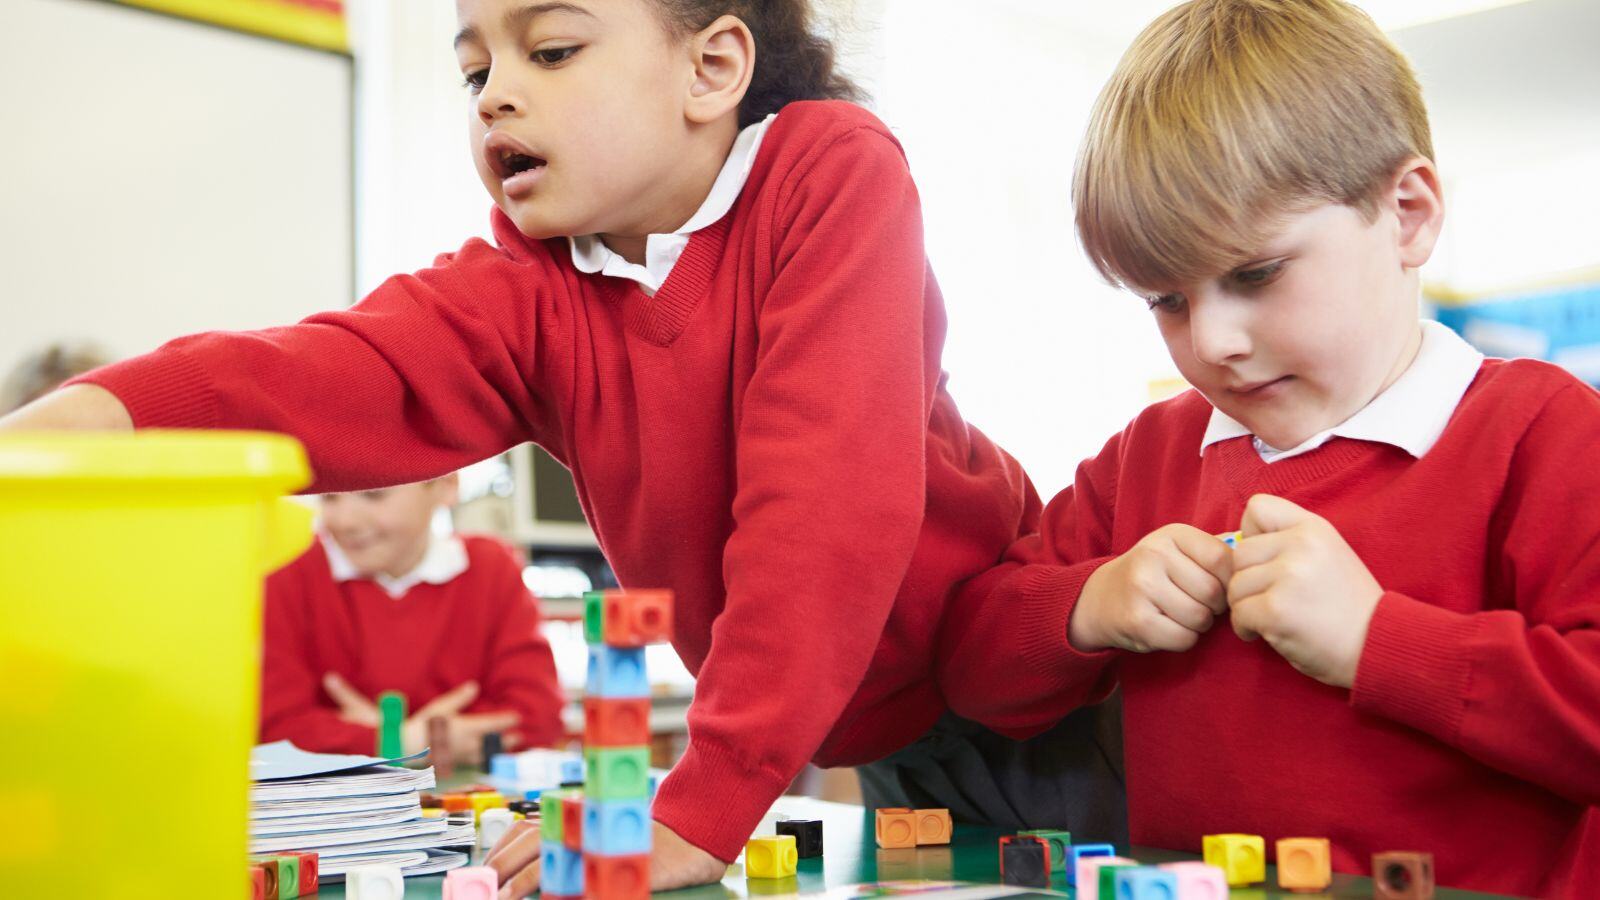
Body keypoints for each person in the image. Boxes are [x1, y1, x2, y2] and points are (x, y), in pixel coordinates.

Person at [0, 0, 1124, 891]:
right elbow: (326, 370)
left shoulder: (830, 172)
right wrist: (80, 422)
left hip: (1033, 690)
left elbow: (821, 509)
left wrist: (695, 802)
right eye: (474, 69)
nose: (497, 96)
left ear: (713, 70)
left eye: (550, 48)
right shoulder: (533, 287)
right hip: (877, 741)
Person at [936, 1, 1600, 895]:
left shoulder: (1545, 435)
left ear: (1406, 213)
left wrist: (1379, 641)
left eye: (1255, 274)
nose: (1212, 342)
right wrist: (1088, 604)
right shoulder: (1148, 457)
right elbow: (973, 666)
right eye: (1166, 301)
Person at [260, 474, 565, 766]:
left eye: (373, 494)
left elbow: (537, 719)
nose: (345, 521)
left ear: (446, 485)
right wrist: (404, 741)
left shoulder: (492, 569)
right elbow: (273, 729)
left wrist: (363, 737)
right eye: (328, 496)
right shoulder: (289, 569)